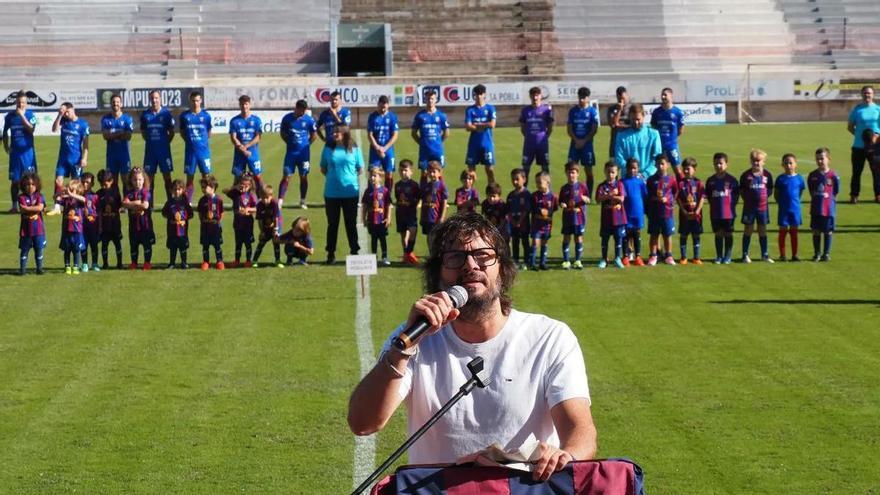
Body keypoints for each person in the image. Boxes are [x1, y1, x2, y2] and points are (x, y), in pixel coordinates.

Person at [347, 212, 597, 479]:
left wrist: (566, 456)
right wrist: (401, 351)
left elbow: (580, 429)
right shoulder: (411, 340)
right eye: (455, 257)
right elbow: (363, 423)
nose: (470, 266)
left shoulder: (549, 337)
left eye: (483, 256)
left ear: (501, 267)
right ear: (437, 273)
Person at [321, 125, 363, 263]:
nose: (334, 134)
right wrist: (333, 177)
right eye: (333, 132)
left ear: (345, 133)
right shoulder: (328, 148)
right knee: (332, 224)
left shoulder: (354, 148)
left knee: (350, 223)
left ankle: (354, 250)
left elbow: (360, 168)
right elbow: (323, 167)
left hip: (350, 193)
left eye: (337, 132)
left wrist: (348, 177)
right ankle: (330, 253)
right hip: (331, 193)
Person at [49, 102, 89, 215]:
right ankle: (57, 206)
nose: (66, 114)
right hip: (63, 158)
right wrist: (59, 115)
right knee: (58, 181)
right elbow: (54, 129)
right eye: (64, 112)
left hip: (76, 159)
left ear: (73, 109)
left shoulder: (83, 124)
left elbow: (86, 145)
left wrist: (84, 158)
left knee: (75, 183)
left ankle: (76, 205)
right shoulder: (63, 120)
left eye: (67, 111)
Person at [279, 99, 317, 209]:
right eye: (301, 110)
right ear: (296, 108)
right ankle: (280, 201)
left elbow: (314, 135)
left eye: (304, 110)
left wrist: (307, 144)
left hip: (304, 154)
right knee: (287, 176)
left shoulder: (309, 120)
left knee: (303, 176)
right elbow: (282, 133)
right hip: (291, 153)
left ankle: (302, 201)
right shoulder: (287, 119)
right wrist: (289, 142)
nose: (303, 112)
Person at [3, 90, 37, 213]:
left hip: (28, 154)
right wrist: (6, 146)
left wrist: (21, 115)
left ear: (26, 103)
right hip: (15, 155)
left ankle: (32, 204)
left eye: (23, 102)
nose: (20, 104)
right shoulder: (10, 116)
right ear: (15, 102)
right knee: (15, 181)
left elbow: (31, 130)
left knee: (30, 181)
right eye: (18, 102)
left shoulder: (30, 115)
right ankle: (14, 206)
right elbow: (5, 132)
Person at [846, 85, 880, 203]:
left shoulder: (878, 109)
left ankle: (878, 195)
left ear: (873, 95)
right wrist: (859, 136)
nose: (867, 95)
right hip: (858, 147)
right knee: (856, 172)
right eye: (865, 93)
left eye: (869, 93)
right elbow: (850, 127)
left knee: (877, 172)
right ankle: (854, 195)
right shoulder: (857, 110)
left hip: (875, 148)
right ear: (862, 95)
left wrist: (876, 136)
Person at [739, 149, 774, 263]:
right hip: (749, 208)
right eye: (754, 161)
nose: (756, 163)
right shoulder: (745, 175)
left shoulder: (767, 175)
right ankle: (745, 254)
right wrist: (749, 199)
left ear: (764, 161)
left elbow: (769, 189)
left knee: (762, 230)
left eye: (759, 161)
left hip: (763, 208)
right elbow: (742, 190)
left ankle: (764, 254)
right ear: (751, 161)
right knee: (748, 229)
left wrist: (762, 198)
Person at [141, 90, 175, 200]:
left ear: (160, 99)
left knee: (167, 177)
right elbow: (144, 133)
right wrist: (152, 142)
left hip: (164, 151)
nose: (154, 100)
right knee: (149, 178)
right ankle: (149, 203)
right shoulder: (145, 115)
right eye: (152, 98)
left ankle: (170, 201)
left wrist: (164, 142)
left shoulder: (166, 114)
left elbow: (171, 132)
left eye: (156, 98)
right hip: (150, 152)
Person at [705, 152, 739, 264]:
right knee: (718, 233)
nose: (718, 166)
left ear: (726, 164)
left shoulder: (732, 180)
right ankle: (719, 256)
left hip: (728, 213)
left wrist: (731, 207)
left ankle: (728, 256)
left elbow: (736, 196)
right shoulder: (710, 181)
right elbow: (709, 196)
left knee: (728, 233)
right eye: (716, 164)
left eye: (721, 163)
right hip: (715, 213)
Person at [179, 91, 212, 203]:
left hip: (203, 152)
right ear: (190, 101)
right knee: (190, 177)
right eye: (193, 101)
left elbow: (209, 132)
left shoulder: (206, 116)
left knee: (206, 177)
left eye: (197, 100)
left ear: (201, 101)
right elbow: (182, 132)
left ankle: (207, 199)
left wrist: (202, 143)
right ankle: (188, 201)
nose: (195, 103)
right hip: (190, 152)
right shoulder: (185, 116)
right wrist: (190, 142)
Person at [808, 148, 840, 262]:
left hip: (828, 209)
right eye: (817, 159)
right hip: (816, 208)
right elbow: (811, 190)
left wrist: (828, 199)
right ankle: (817, 253)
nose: (820, 161)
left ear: (828, 159)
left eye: (822, 158)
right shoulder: (812, 175)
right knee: (816, 230)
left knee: (828, 231)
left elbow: (836, 191)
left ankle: (826, 254)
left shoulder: (833, 175)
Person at [614, 104, 662, 179]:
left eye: (638, 119)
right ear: (629, 117)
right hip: (628, 179)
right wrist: (631, 171)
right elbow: (618, 157)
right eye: (633, 119)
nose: (636, 122)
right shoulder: (621, 136)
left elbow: (657, 158)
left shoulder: (653, 134)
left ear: (643, 116)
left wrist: (645, 174)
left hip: (649, 179)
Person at [646, 156, 678, 266]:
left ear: (668, 165)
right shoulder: (651, 180)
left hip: (667, 212)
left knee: (667, 234)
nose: (660, 166)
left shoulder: (672, 179)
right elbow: (648, 195)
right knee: (654, 234)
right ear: (655, 165)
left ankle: (668, 255)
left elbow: (675, 192)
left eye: (662, 164)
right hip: (654, 212)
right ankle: (653, 255)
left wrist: (669, 200)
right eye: (658, 164)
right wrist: (655, 198)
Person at [566, 87, 599, 194]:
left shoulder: (592, 112)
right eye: (580, 97)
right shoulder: (573, 111)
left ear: (588, 98)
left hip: (587, 145)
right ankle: (572, 193)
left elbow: (594, 130)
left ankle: (588, 194)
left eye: (583, 97)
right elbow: (569, 128)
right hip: (574, 144)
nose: (581, 100)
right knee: (571, 169)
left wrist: (584, 141)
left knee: (588, 170)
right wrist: (576, 140)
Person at [595, 161, 627, 269]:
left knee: (618, 238)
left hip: (618, 218)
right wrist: (611, 195)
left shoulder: (619, 184)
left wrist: (609, 196)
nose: (610, 174)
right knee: (605, 239)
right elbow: (598, 199)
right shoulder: (601, 186)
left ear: (617, 173)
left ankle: (617, 258)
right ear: (604, 171)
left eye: (613, 172)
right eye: (608, 172)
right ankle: (604, 259)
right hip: (606, 218)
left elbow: (621, 198)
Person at [774, 153, 806, 262]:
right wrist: (782, 203)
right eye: (786, 163)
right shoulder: (780, 179)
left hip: (795, 209)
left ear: (795, 164)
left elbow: (800, 192)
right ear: (782, 164)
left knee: (794, 232)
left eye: (791, 163)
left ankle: (794, 255)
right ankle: (782, 255)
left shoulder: (799, 179)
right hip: (783, 209)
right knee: (782, 231)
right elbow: (776, 194)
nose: (788, 165)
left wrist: (794, 202)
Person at [411, 90, 449, 180]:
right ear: (425, 100)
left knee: (439, 172)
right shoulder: (420, 116)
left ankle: (440, 193)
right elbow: (413, 133)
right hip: (425, 150)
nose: (430, 101)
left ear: (436, 100)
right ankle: (423, 193)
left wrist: (439, 142)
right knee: (424, 173)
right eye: (428, 99)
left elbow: (446, 132)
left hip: (437, 150)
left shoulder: (441, 115)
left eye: (432, 99)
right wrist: (421, 143)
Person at [229, 95, 264, 192]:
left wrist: (247, 146)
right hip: (239, 154)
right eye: (242, 104)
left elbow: (258, 137)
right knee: (237, 177)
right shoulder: (234, 121)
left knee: (257, 177)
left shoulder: (256, 120)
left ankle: (261, 200)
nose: (244, 106)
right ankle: (236, 201)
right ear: (239, 105)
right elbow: (233, 137)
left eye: (246, 104)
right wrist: (242, 148)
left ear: (249, 105)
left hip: (253, 153)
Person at [558, 161, 589, 270]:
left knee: (578, 238)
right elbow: (560, 202)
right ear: (566, 173)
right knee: (566, 238)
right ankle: (566, 260)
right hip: (567, 218)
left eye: (573, 172)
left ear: (578, 173)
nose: (571, 175)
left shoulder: (582, 187)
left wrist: (586, 199)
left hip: (579, 219)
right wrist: (562, 204)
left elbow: (588, 199)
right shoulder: (564, 188)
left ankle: (577, 260)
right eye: (569, 173)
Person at [122, 167, 155, 271]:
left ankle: (147, 263)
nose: (137, 182)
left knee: (147, 245)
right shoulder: (129, 193)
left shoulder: (146, 192)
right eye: (135, 180)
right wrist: (137, 203)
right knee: (133, 245)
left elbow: (145, 205)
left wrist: (131, 205)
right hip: (133, 226)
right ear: (131, 181)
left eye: (140, 179)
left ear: (144, 180)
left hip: (145, 225)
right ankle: (134, 263)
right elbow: (124, 203)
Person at [101, 94, 134, 195]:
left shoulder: (127, 118)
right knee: (112, 180)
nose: (115, 104)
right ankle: (116, 203)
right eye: (113, 102)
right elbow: (105, 136)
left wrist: (112, 134)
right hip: (111, 155)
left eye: (117, 102)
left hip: (124, 154)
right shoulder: (105, 119)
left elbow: (128, 136)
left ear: (121, 104)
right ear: (111, 104)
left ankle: (126, 201)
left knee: (126, 180)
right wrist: (120, 132)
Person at [519, 86, 554, 183]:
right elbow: (522, 128)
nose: (535, 98)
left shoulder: (546, 110)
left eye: (537, 95)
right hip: (529, 145)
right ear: (530, 96)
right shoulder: (525, 111)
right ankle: (524, 193)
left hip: (542, 145)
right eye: (533, 95)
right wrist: (529, 137)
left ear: (540, 96)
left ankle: (548, 193)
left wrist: (544, 138)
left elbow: (550, 127)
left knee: (545, 169)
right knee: (525, 170)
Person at [464, 84, 497, 184]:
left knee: (490, 170)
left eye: (481, 93)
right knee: (471, 171)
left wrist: (477, 125)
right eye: (477, 94)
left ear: (484, 94)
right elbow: (468, 127)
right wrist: (484, 125)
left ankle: (493, 191)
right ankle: (471, 194)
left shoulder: (490, 108)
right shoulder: (470, 110)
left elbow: (492, 124)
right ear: (474, 95)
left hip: (487, 144)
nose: (479, 96)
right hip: (474, 144)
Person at [651, 88, 686, 179]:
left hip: (672, 146)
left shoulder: (677, 112)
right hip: (659, 146)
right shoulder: (656, 112)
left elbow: (681, 129)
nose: (663, 97)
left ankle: (681, 189)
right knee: (658, 169)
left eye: (665, 95)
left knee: (677, 170)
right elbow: (653, 126)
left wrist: (672, 138)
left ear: (671, 95)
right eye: (662, 95)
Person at [676, 157, 705, 264]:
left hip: (696, 215)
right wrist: (683, 210)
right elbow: (678, 198)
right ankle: (683, 257)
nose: (686, 171)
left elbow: (702, 197)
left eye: (688, 168)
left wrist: (697, 211)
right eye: (684, 169)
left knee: (696, 235)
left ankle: (696, 257)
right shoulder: (680, 183)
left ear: (694, 169)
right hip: (684, 215)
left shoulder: (698, 183)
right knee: (683, 235)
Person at [367, 95, 400, 191]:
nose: (383, 109)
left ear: (388, 106)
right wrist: (377, 147)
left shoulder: (392, 117)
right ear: (378, 105)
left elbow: (395, 135)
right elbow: (370, 135)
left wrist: (384, 148)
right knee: (373, 172)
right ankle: (371, 196)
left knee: (389, 173)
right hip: (375, 150)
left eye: (385, 107)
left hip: (388, 150)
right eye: (381, 107)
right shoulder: (372, 117)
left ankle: (387, 198)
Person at [225, 173, 258, 267]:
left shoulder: (251, 195)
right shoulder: (235, 193)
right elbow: (224, 190)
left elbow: (257, 208)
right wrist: (235, 187)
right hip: (237, 223)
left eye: (246, 186)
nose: (244, 187)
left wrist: (248, 209)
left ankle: (248, 260)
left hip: (248, 224)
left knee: (248, 243)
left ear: (250, 185)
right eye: (242, 185)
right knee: (238, 243)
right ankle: (237, 260)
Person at [17, 172, 46, 275]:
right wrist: (33, 209)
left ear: (37, 185)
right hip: (26, 230)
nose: (30, 187)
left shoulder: (39, 195)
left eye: (33, 184)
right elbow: (23, 209)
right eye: (27, 184)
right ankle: (23, 269)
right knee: (24, 250)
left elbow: (40, 207)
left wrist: (29, 208)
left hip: (38, 230)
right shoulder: (21, 197)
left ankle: (39, 268)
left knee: (39, 250)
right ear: (23, 185)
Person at [363, 167, 392, 266]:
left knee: (383, 238)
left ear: (380, 177)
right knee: (373, 238)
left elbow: (388, 205)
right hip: (372, 220)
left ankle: (384, 256)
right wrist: (363, 218)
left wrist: (388, 217)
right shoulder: (368, 191)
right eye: (371, 175)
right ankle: (373, 256)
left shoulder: (384, 190)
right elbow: (365, 206)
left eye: (375, 175)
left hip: (382, 220)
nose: (372, 177)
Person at [161, 179, 194, 269]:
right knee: (173, 248)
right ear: (171, 190)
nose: (177, 191)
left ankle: (184, 262)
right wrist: (171, 217)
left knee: (183, 248)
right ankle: (172, 263)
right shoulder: (169, 202)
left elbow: (191, 214)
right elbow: (163, 213)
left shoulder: (185, 202)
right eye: (175, 189)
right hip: (172, 231)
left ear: (183, 190)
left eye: (179, 189)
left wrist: (184, 219)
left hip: (182, 231)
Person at [394, 159, 421, 265]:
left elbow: (419, 197)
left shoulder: (414, 185)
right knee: (403, 234)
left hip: (411, 213)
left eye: (405, 170)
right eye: (401, 170)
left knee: (413, 231)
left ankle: (409, 252)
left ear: (411, 171)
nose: (403, 173)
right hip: (400, 213)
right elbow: (397, 198)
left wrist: (416, 205)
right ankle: (406, 255)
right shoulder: (397, 185)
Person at [621, 158, 647, 266]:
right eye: (630, 168)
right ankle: (626, 256)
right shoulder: (622, 182)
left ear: (638, 169)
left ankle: (638, 256)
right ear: (626, 169)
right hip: (626, 213)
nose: (632, 170)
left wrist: (645, 210)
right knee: (626, 235)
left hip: (637, 213)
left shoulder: (641, 182)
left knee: (637, 234)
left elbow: (645, 196)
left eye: (635, 168)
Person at [530, 171, 557, 271]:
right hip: (536, 224)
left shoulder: (553, 197)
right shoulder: (535, 196)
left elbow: (554, 208)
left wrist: (548, 212)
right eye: (536, 182)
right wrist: (539, 211)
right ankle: (532, 263)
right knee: (535, 242)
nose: (537, 185)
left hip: (547, 225)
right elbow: (531, 208)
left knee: (544, 243)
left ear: (547, 182)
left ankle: (543, 262)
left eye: (539, 182)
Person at [58, 179, 86, 275]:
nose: (69, 192)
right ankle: (67, 266)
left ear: (78, 191)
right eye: (69, 189)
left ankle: (76, 266)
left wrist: (71, 194)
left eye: (72, 190)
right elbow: (56, 199)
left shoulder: (80, 200)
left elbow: (84, 200)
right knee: (67, 249)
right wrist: (60, 192)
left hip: (77, 230)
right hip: (66, 229)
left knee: (76, 250)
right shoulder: (66, 200)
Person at [197, 174, 225, 270]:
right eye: (202, 187)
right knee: (205, 246)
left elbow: (221, 213)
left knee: (217, 245)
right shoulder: (202, 200)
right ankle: (205, 261)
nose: (203, 189)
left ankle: (220, 261)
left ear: (213, 187)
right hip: (205, 228)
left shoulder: (218, 200)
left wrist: (217, 222)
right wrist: (203, 220)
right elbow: (200, 213)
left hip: (215, 228)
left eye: (205, 187)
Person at [252, 184, 283, 268]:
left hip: (276, 225)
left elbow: (276, 218)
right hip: (265, 226)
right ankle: (254, 260)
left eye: (267, 198)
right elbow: (260, 220)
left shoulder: (274, 203)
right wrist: (261, 231)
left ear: (271, 196)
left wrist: (276, 230)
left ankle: (277, 260)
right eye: (262, 198)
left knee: (276, 242)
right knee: (261, 242)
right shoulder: (259, 205)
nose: (265, 200)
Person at [506, 168, 531, 269]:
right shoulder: (511, 195)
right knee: (515, 241)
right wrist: (512, 220)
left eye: (517, 179)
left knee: (525, 241)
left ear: (524, 179)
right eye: (513, 179)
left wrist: (520, 221)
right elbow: (508, 210)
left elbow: (527, 210)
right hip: (513, 223)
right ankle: (515, 260)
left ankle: (526, 261)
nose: (515, 182)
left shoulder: (527, 194)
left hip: (523, 223)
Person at [420, 161, 448, 242]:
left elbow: (444, 202)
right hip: (427, 218)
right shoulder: (426, 186)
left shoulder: (441, 186)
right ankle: (431, 254)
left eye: (434, 172)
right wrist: (422, 217)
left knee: (437, 237)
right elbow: (423, 202)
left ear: (439, 173)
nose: (432, 174)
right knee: (429, 237)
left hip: (436, 218)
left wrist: (442, 217)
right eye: (430, 172)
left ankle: (437, 254)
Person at [80, 172, 100, 272]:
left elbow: (98, 211)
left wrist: (100, 225)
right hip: (81, 226)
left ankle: (95, 263)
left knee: (94, 245)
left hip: (93, 225)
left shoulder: (95, 196)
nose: (85, 184)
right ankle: (84, 263)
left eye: (87, 182)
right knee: (83, 245)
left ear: (92, 184)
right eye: (83, 182)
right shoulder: (78, 196)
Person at [607, 86, 630, 157]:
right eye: (619, 99)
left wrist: (619, 125)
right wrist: (619, 110)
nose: (621, 101)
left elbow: (635, 125)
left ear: (627, 95)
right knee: (613, 166)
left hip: (629, 142)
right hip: (616, 142)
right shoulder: (611, 109)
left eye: (623, 98)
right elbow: (613, 125)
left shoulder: (632, 109)